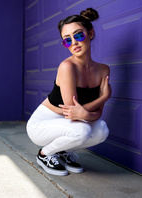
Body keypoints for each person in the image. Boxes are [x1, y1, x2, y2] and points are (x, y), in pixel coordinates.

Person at [26, 8, 112, 176]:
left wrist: (87, 114)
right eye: (67, 40)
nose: (74, 42)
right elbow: (73, 113)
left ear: (91, 33)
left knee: (102, 130)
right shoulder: (67, 67)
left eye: (78, 35)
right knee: (82, 130)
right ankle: (44, 154)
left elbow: (96, 114)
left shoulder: (103, 70)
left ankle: (61, 151)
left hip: (69, 124)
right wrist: (104, 97)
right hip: (41, 125)